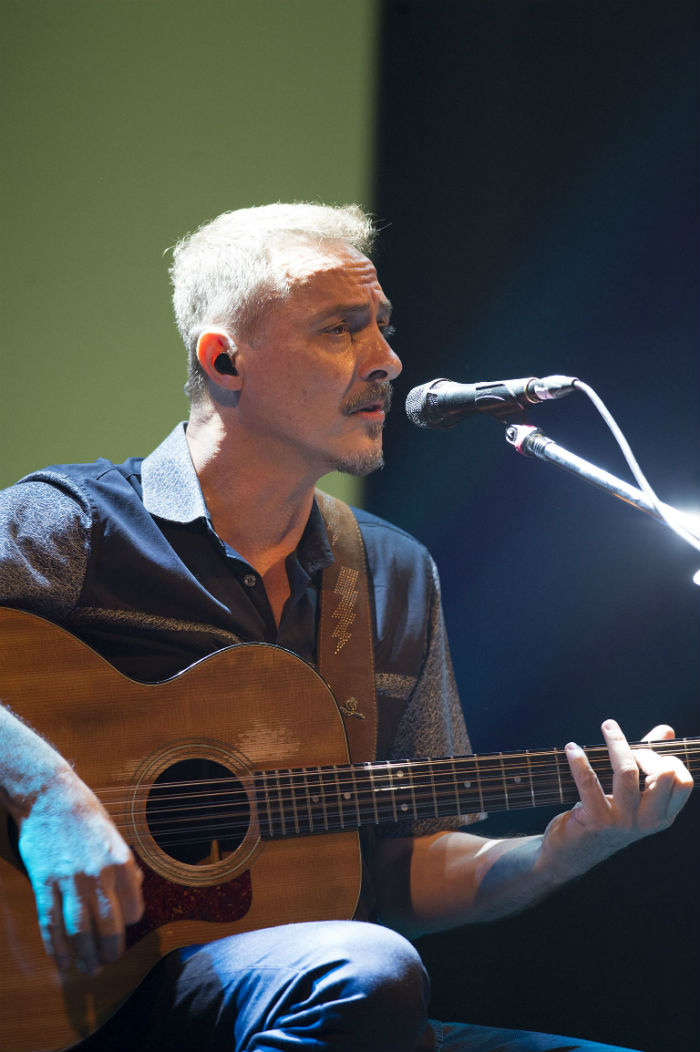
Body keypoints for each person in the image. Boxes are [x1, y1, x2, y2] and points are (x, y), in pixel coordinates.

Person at [0, 202, 692, 1052]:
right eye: (341, 330)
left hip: (295, 1000)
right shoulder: (72, 524)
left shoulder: (393, 573)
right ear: (225, 361)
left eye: (385, 330)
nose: (390, 362)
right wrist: (47, 798)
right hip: (85, 996)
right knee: (365, 967)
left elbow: (410, 865)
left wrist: (563, 851)